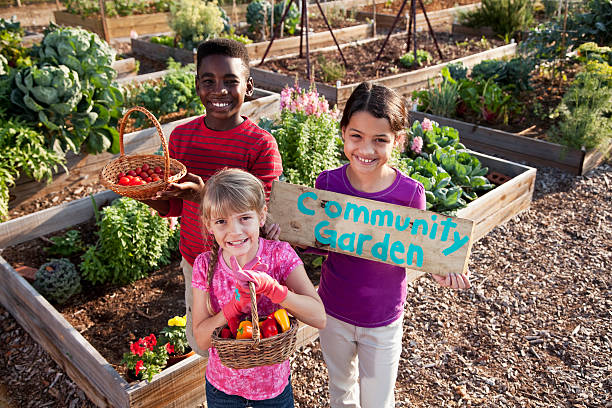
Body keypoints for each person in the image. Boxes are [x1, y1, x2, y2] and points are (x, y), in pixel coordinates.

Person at [314, 82, 471, 408]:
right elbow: (317, 242)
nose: (366, 149)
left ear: (397, 141)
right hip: (333, 312)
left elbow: (415, 248)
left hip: (383, 320)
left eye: (380, 140)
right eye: (356, 136)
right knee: (341, 391)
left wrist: (438, 270)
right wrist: (284, 234)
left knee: (378, 401)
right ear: (343, 132)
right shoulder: (326, 183)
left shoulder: (409, 194)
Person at [142, 38, 283, 357]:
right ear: (197, 85)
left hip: (244, 268)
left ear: (248, 86)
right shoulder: (181, 138)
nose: (219, 90)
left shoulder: (260, 145)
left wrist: (203, 194)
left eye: (230, 81)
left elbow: (257, 216)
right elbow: (173, 206)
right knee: (206, 342)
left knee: (247, 341)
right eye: (209, 81)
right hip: (196, 261)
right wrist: (149, 195)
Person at [191, 168, 326, 407]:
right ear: (208, 225)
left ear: (262, 216)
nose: (235, 231)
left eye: (244, 218)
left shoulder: (279, 256)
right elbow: (201, 340)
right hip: (222, 389)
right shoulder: (204, 265)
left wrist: (275, 290)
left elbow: (319, 317)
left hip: (273, 388)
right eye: (221, 221)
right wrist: (233, 308)